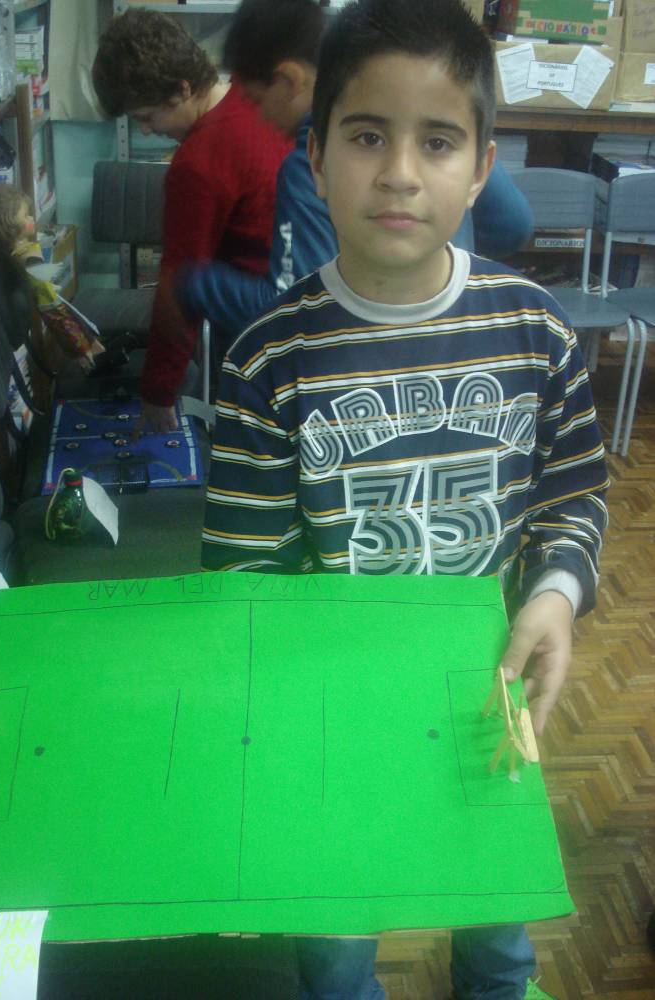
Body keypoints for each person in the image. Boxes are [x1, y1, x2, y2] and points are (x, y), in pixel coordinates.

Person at [200, 0, 608, 997]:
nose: (398, 173)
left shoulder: (537, 331)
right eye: (367, 136)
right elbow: (244, 579)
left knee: (498, 936)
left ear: (481, 166)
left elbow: (572, 498)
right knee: (336, 950)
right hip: (328, 714)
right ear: (314, 155)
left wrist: (555, 595)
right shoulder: (266, 360)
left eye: (437, 141)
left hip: (484, 695)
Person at [179, 0, 533, 343]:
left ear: (289, 80)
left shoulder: (306, 167)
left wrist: (197, 283)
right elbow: (514, 224)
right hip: (455, 333)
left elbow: (295, 309)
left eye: (257, 101)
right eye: (370, 139)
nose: (401, 176)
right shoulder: (446, 127)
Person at [92, 9, 292, 433]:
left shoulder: (198, 162)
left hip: (252, 327)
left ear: (183, 89)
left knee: (248, 441)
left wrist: (158, 392)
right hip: (299, 311)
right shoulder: (254, 99)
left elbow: (178, 286)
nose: (147, 132)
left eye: (148, 117)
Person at [0, 183, 105, 372]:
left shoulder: (5, 255)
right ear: (9, 224)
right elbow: (50, 303)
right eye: (26, 216)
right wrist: (79, 346)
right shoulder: (28, 259)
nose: (32, 218)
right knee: (91, 358)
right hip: (56, 321)